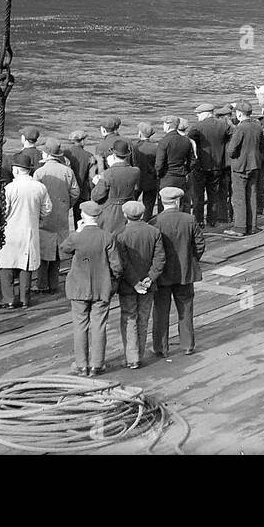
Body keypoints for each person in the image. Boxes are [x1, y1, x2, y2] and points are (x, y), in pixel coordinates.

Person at [60, 202, 121, 377]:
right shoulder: (107, 237)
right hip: (101, 288)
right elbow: (116, 265)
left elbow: (64, 250)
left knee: (80, 326)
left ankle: (81, 365)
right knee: (99, 325)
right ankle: (97, 364)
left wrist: (78, 231)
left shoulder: (76, 237)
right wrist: (113, 281)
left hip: (78, 288)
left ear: (84, 216)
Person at [151, 187, 204, 356]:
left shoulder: (154, 222)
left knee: (160, 310)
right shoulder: (189, 219)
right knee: (186, 309)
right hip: (185, 272)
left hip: (162, 275)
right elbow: (200, 245)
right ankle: (188, 345)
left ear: (161, 201)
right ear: (178, 201)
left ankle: (160, 347)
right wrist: (191, 259)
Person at [115, 200, 165, 370]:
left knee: (129, 318)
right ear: (142, 215)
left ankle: (132, 357)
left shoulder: (120, 234)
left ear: (125, 215)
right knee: (143, 318)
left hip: (128, 286)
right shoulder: (154, 232)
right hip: (148, 284)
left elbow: (123, 263)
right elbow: (160, 259)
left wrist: (134, 282)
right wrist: (150, 278)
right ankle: (140, 355)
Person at [0, 153, 51, 309]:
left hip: (10, 232)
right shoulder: (39, 187)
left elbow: (3, 211)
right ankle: (24, 299)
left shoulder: (9, 188)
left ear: (16, 170)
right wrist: (37, 217)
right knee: (25, 265)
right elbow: (47, 209)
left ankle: (7, 299)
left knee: (6, 264)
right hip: (30, 231)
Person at [34, 142, 79, 293]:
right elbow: (75, 193)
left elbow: (35, 195)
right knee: (58, 249)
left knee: (43, 249)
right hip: (61, 213)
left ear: (46, 154)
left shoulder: (40, 173)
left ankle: (41, 284)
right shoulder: (68, 171)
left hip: (43, 215)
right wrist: (66, 206)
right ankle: (54, 284)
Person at [225, 101, 264, 236]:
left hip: (240, 166)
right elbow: (262, 146)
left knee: (239, 197)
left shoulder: (240, 128)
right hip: (255, 164)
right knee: (252, 194)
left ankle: (240, 227)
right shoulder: (258, 126)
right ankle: (252, 226)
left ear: (239, 114)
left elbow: (231, 150)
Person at [91, 141, 140, 237]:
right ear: (127, 155)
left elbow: (96, 196)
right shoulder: (135, 171)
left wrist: (98, 182)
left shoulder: (108, 173)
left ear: (113, 155)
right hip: (128, 209)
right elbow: (136, 189)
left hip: (111, 211)